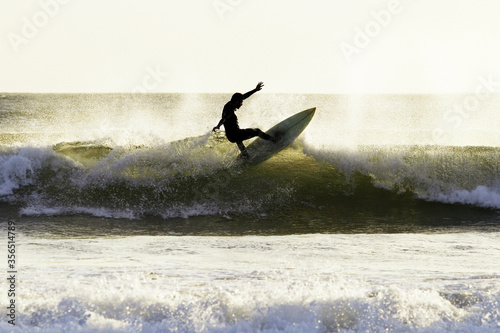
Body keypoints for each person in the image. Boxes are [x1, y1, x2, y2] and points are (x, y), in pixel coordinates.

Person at [212, 82, 275, 158]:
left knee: (238, 139)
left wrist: (255, 90)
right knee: (257, 131)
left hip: (231, 136)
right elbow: (224, 118)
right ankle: (274, 140)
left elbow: (244, 96)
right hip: (236, 134)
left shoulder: (230, 104)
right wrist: (218, 126)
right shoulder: (230, 110)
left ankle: (245, 155)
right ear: (236, 101)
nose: (242, 103)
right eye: (241, 102)